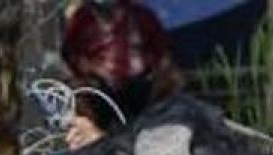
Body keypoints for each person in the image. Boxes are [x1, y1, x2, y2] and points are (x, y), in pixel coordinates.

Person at [61, 0, 182, 146]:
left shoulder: (178, 113)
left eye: (136, 51)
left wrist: (102, 144)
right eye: (100, 59)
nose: (118, 70)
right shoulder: (82, 105)